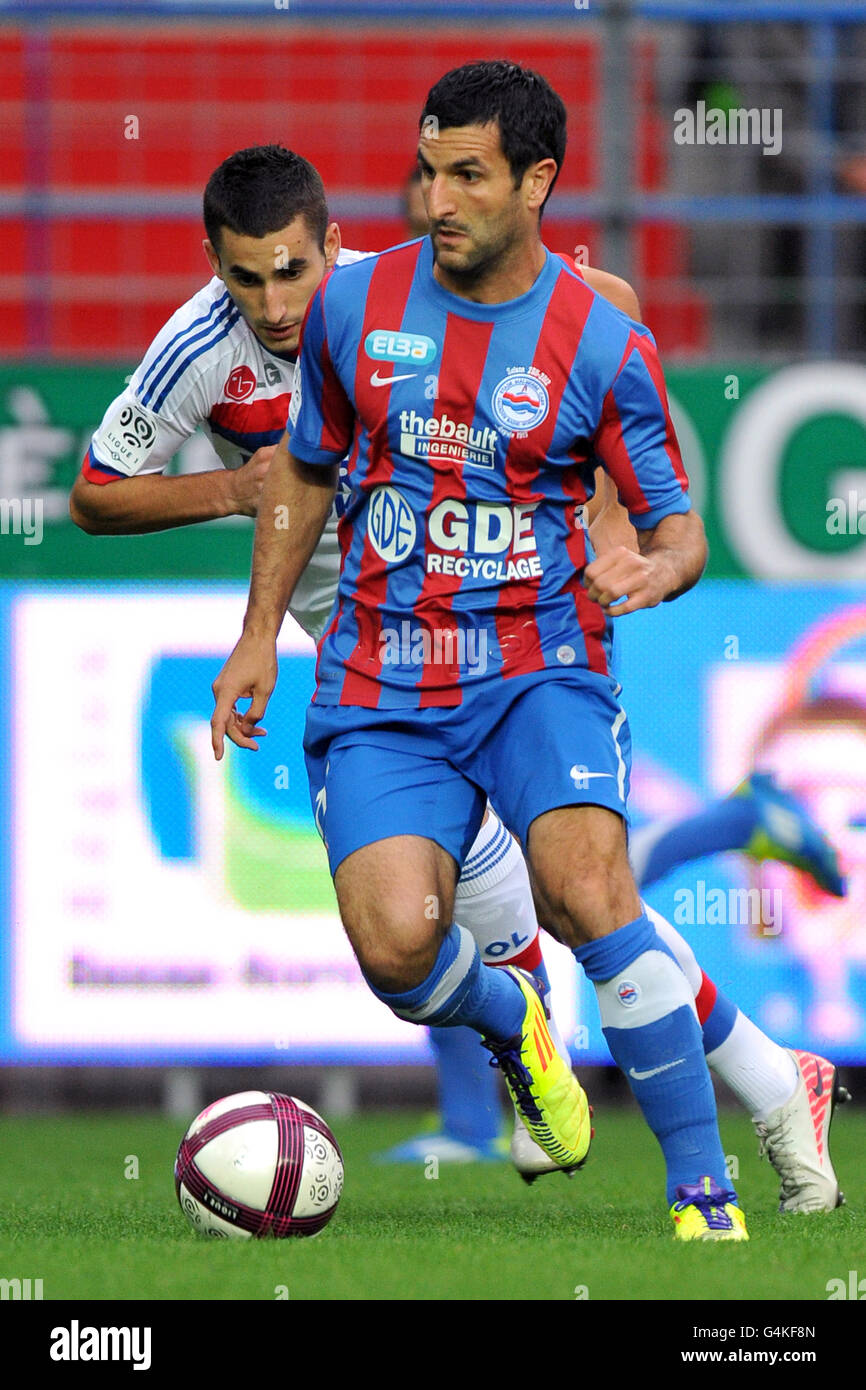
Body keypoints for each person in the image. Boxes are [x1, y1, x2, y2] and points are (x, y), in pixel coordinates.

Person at [71, 141, 847, 1220]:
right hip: (371, 670)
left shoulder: (391, 294)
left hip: (502, 640)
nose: (274, 300)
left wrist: (615, 514)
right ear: (214, 266)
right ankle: (732, 1062)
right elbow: (94, 497)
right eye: (245, 278)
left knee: (577, 898)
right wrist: (230, 490)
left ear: (332, 247)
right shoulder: (195, 350)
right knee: (462, 928)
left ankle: (703, 1130)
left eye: (292, 270)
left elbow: (605, 303)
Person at [210, 61, 759, 1239]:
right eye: (425, 172)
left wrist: (656, 567)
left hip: (535, 664)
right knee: (396, 947)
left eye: (466, 175)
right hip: (377, 678)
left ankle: (701, 1191)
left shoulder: (601, 340)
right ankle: (513, 1021)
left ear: (536, 183)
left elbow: (679, 528)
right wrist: (257, 636)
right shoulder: (356, 310)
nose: (435, 200)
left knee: (587, 888)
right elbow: (306, 469)